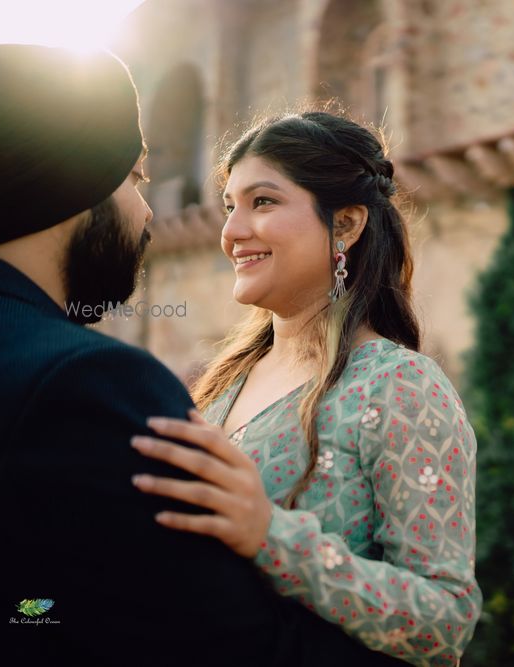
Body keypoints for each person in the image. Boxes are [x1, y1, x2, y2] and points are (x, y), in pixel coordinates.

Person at [0, 44, 401, 666]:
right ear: (75, 183)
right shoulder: (88, 383)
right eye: (135, 177)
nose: (148, 210)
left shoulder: (399, 382)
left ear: (346, 225)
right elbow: (218, 644)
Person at [128, 111, 483, 666]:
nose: (232, 232)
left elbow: (445, 622)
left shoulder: (399, 386)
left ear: (345, 224)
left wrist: (271, 535)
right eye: (230, 206)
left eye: (262, 202)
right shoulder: (225, 380)